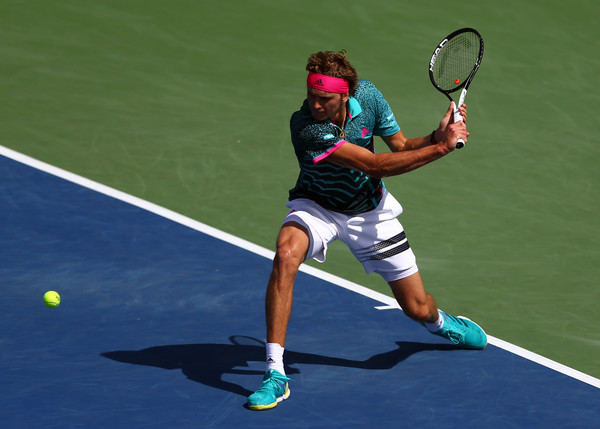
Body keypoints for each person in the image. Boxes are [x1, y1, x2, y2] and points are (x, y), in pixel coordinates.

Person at [247, 50, 487, 411]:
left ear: (345, 95)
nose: (314, 104)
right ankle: (275, 373)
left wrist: (437, 134)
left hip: (370, 215)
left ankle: (440, 323)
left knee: (417, 308)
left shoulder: (370, 97)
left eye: (324, 98)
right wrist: (442, 147)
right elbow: (376, 165)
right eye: (311, 95)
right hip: (316, 207)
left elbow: (402, 147)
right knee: (285, 255)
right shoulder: (307, 126)